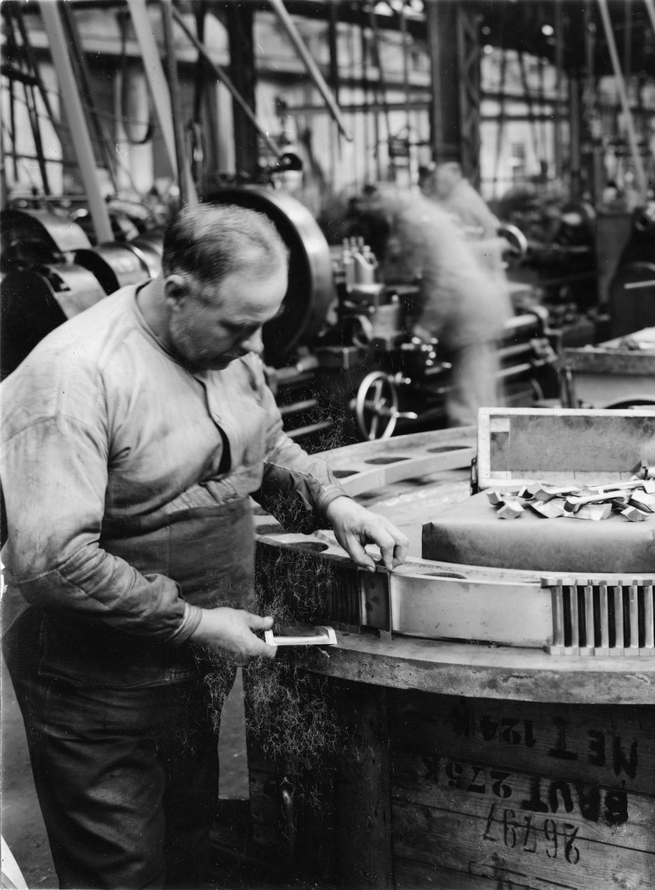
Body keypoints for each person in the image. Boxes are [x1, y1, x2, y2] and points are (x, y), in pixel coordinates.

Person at [0, 201, 408, 889]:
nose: (256, 346)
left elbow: (262, 440)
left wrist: (329, 501)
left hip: (191, 662)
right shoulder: (74, 379)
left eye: (264, 323)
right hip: (97, 685)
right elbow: (54, 562)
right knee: (122, 873)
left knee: (191, 848)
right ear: (177, 290)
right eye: (240, 325)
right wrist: (195, 623)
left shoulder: (221, 347)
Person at [375, 185, 512, 426]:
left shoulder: (412, 220)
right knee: (483, 401)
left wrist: (425, 328)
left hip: (469, 315)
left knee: (468, 411)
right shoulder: (424, 213)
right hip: (476, 309)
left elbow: (443, 282)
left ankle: (473, 448)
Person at [426, 160, 501, 241]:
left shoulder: (463, 196)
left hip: (476, 245)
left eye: (440, 181)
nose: (437, 186)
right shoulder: (457, 193)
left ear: (454, 175)